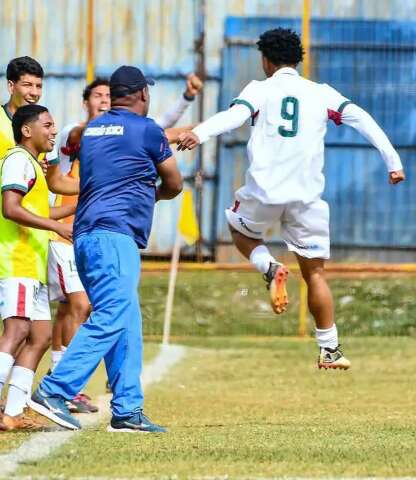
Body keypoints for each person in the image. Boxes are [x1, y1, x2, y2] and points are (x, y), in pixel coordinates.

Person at [177, 28, 405, 370]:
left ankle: (269, 266)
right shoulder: (321, 93)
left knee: (240, 230)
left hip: (264, 192)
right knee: (315, 274)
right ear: (298, 60)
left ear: (266, 61)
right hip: (307, 198)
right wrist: (393, 161)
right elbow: (362, 119)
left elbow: (235, 116)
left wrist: (198, 133)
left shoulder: (260, 89)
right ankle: (330, 349)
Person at [30, 65, 183, 432]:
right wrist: (151, 194)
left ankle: (128, 410)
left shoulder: (93, 130)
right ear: (143, 95)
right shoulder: (147, 130)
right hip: (114, 235)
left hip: (86, 234)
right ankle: (55, 388)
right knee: (114, 312)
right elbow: (174, 183)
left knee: (126, 318)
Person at [0, 105, 75, 431]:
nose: (53, 131)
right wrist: (54, 226)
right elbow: (11, 208)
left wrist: (82, 203)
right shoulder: (17, 160)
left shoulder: (32, 164)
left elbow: (40, 211)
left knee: (41, 336)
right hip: (14, 261)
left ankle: (15, 411)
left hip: (32, 263)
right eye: (47, 125)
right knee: (16, 330)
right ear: (27, 130)